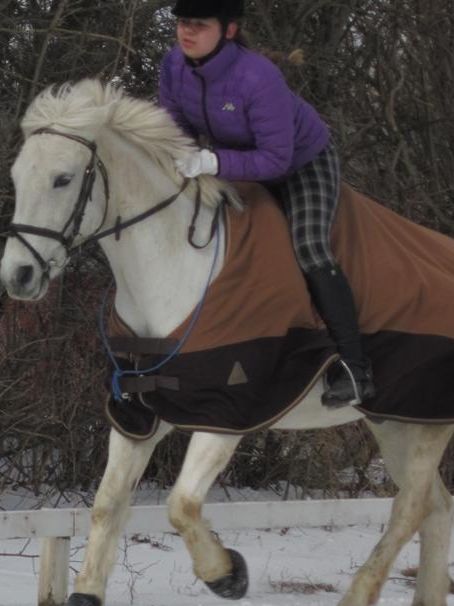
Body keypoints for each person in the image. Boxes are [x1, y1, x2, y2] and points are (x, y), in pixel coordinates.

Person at [159, 0, 375, 407]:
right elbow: (175, 127)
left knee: (307, 245)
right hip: (235, 163)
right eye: (182, 22)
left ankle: (354, 368)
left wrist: (212, 160)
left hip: (300, 164)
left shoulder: (258, 77)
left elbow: (276, 158)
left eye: (199, 24)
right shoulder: (174, 64)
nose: (186, 32)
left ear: (228, 31)